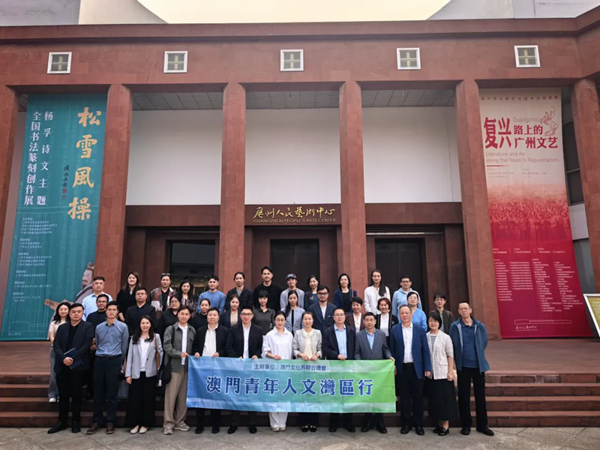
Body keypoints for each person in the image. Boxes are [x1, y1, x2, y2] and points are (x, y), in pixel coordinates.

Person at [47, 303, 94, 434]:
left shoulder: (87, 326)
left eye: (79, 312)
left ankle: (75, 422)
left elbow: (86, 345)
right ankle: (61, 422)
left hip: (78, 365)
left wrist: (72, 358)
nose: (76, 314)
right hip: (62, 365)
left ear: (82, 313)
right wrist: (63, 358)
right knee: (63, 395)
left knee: (76, 395)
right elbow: (56, 345)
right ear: (69, 313)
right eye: (73, 312)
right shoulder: (62, 327)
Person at [449, 302, 494, 437]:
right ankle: (466, 425)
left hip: (478, 366)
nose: (464, 311)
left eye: (466, 309)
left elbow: (484, 342)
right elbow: (452, 343)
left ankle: (482, 425)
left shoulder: (479, 326)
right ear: (458, 311)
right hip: (463, 366)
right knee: (464, 397)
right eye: (461, 309)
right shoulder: (455, 326)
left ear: (470, 310)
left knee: (480, 396)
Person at [87, 301, 129, 436]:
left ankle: (110, 421)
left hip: (114, 360)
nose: (111, 312)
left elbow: (124, 346)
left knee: (112, 393)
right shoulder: (99, 327)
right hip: (100, 360)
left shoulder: (123, 327)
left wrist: (119, 361)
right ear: (106, 311)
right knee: (98, 393)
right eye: (109, 309)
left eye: (114, 309)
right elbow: (98, 343)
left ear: (117, 312)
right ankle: (96, 421)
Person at [390, 305, 431, 436]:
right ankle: (406, 424)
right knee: (405, 398)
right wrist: (393, 365)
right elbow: (392, 350)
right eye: (402, 313)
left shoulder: (419, 330)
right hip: (402, 368)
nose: (404, 315)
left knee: (418, 397)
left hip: (417, 368)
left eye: (407, 313)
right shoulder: (395, 330)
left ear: (411, 314)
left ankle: (418, 424)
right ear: (399, 315)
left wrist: (427, 367)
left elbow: (425, 350)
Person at [225, 306, 263, 434]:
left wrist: (256, 355)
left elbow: (260, 347)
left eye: (248, 314)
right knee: (236, 394)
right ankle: (234, 423)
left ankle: (252, 423)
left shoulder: (258, 330)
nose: (246, 316)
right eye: (244, 314)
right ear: (240, 316)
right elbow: (229, 347)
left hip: (252, 366)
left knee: (251, 394)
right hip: (237, 366)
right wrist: (236, 357)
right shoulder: (234, 329)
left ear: (252, 316)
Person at [192, 307, 229, 434]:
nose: (212, 317)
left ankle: (215, 424)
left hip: (218, 367)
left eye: (214, 315)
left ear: (218, 317)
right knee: (200, 394)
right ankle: (200, 424)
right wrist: (196, 352)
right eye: (210, 315)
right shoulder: (201, 331)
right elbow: (195, 346)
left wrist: (220, 353)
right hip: (202, 367)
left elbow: (227, 348)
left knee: (215, 394)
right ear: (207, 317)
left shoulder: (224, 331)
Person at [355, 312, 393, 434]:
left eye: (371, 320)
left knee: (379, 396)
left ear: (375, 322)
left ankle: (380, 422)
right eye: (367, 320)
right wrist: (359, 364)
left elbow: (385, 349)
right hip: (365, 370)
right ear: (364, 322)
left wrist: (389, 356)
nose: (369, 322)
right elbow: (357, 352)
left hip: (379, 370)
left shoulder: (381, 334)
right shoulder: (359, 335)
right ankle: (368, 421)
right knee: (368, 396)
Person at [125, 315, 163, 434]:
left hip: (150, 373)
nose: (145, 325)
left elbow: (160, 353)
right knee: (134, 400)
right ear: (139, 325)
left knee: (148, 400)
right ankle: (135, 423)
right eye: (143, 323)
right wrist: (128, 374)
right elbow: (129, 357)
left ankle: (145, 423)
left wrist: (157, 368)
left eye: (147, 323)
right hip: (136, 373)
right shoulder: (134, 338)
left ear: (151, 324)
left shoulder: (156, 337)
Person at [163, 306, 196, 435]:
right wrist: (178, 354)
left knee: (183, 397)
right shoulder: (171, 329)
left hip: (187, 367)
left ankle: (180, 421)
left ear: (189, 316)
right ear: (178, 315)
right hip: (174, 366)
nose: (184, 316)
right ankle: (168, 423)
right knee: (171, 397)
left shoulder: (192, 330)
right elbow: (166, 346)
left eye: (186, 314)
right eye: (182, 314)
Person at [323, 307, 356, 433]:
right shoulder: (328, 331)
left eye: (342, 314)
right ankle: (334, 422)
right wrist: (336, 355)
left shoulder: (351, 331)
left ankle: (348, 422)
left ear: (345, 317)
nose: (340, 317)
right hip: (335, 365)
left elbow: (354, 348)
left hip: (348, 366)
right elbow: (325, 349)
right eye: (337, 315)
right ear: (333, 317)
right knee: (335, 394)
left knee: (348, 393)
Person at [426, 311, 458, 436]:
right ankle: (439, 424)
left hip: (443, 373)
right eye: (431, 321)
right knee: (435, 399)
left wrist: (450, 371)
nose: (433, 323)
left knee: (445, 399)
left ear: (439, 323)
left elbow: (450, 355)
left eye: (435, 321)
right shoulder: (426, 336)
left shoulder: (445, 337)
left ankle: (445, 425)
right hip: (431, 374)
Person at [263, 311, 293, 432]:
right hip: (273, 369)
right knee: (273, 395)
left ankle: (282, 422)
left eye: (282, 320)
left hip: (286, 370)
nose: (280, 322)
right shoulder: (269, 335)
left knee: (285, 395)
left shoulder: (289, 335)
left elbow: (292, 352)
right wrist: (273, 356)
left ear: (285, 321)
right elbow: (265, 351)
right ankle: (274, 423)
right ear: (274, 321)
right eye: (278, 320)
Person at [293, 311, 322, 432]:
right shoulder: (298, 333)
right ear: (302, 320)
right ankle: (303, 422)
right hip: (302, 367)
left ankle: (313, 422)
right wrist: (300, 354)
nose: (307, 321)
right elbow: (294, 349)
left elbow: (321, 348)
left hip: (314, 367)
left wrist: (317, 355)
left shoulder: (318, 333)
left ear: (313, 320)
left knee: (314, 395)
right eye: (305, 319)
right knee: (303, 394)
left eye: (309, 319)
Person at [85, 293, 109, 400]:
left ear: (107, 303)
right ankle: (91, 392)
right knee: (91, 372)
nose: (101, 303)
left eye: (103, 302)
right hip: (92, 348)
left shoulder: (109, 316)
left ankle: (104, 394)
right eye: (99, 301)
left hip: (106, 348)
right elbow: (88, 331)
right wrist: (92, 344)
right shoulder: (91, 316)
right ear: (96, 303)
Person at [47, 301, 70, 403]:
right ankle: (53, 394)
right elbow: (52, 336)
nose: (63, 311)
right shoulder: (54, 323)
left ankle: (62, 394)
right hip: (55, 350)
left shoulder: (71, 322)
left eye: (65, 309)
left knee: (66, 374)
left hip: (68, 350)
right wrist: (57, 346)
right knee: (54, 373)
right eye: (61, 309)